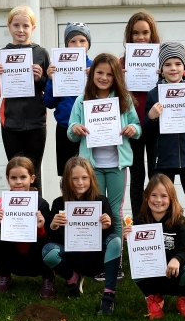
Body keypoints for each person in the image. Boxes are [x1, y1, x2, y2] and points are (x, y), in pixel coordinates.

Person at [144, 42, 185, 255]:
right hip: (163, 159)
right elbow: (146, 133)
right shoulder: (154, 95)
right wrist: (151, 117)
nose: (173, 68)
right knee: (159, 206)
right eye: (168, 64)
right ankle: (158, 253)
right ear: (161, 69)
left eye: (177, 64)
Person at [67, 52, 141, 237]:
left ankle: (116, 253)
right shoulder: (82, 100)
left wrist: (132, 128)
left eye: (109, 74)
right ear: (92, 73)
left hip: (117, 165)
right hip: (91, 168)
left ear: (116, 77)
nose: (104, 78)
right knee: (95, 209)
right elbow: (71, 133)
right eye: (100, 72)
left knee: (115, 211)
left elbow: (137, 127)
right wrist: (75, 128)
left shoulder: (124, 99)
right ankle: (95, 249)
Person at [43, 157, 119, 315]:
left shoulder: (101, 201)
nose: (80, 182)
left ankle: (109, 295)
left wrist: (107, 227)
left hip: (95, 258)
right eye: (74, 178)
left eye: (84, 178)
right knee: (47, 251)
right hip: (72, 257)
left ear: (91, 179)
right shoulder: (59, 203)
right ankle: (72, 278)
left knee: (116, 241)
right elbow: (56, 240)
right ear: (66, 180)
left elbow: (110, 240)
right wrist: (54, 226)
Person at [0, 5, 51, 191]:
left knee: (34, 172)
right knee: (15, 171)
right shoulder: (0, 54)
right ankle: (16, 209)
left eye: (26, 25)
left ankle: (38, 210)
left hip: (36, 121)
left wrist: (41, 79)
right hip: (10, 122)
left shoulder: (41, 53)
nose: (21, 30)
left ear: (33, 27)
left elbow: (50, 89)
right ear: (9, 26)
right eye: (16, 25)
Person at [124, 174, 185, 320]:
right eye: (154, 195)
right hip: (152, 275)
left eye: (164, 196)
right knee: (135, 267)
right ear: (146, 197)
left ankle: (184, 299)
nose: (158, 200)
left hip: (174, 273)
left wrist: (177, 259)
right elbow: (137, 254)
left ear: (171, 198)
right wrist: (128, 239)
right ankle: (152, 298)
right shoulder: (140, 221)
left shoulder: (179, 222)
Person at [0, 156, 55, 296]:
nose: (18, 182)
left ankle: (48, 277)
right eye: (14, 178)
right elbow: (3, 236)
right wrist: (1, 223)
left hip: (35, 255)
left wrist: (41, 227)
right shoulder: (1, 204)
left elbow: (47, 236)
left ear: (32, 178)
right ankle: (4, 274)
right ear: (8, 179)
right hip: (14, 254)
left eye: (23, 177)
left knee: (48, 247)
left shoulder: (41, 204)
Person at [120, 12, 161, 219]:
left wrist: (164, 75)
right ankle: (138, 222)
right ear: (129, 35)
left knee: (156, 176)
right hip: (132, 128)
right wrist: (119, 78)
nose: (140, 37)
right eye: (135, 33)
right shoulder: (121, 64)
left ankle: (156, 221)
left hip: (156, 126)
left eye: (145, 32)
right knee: (136, 177)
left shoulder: (162, 62)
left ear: (152, 34)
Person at [44, 22, 92, 177]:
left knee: (90, 175)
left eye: (82, 41)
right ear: (66, 44)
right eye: (73, 41)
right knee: (67, 176)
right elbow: (49, 103)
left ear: (89, 44)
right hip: (65, 128)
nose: (78, 45)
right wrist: (51, 79)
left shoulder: (96, 68)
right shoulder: (57, 67)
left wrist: (94, 77)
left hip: (90, 130)